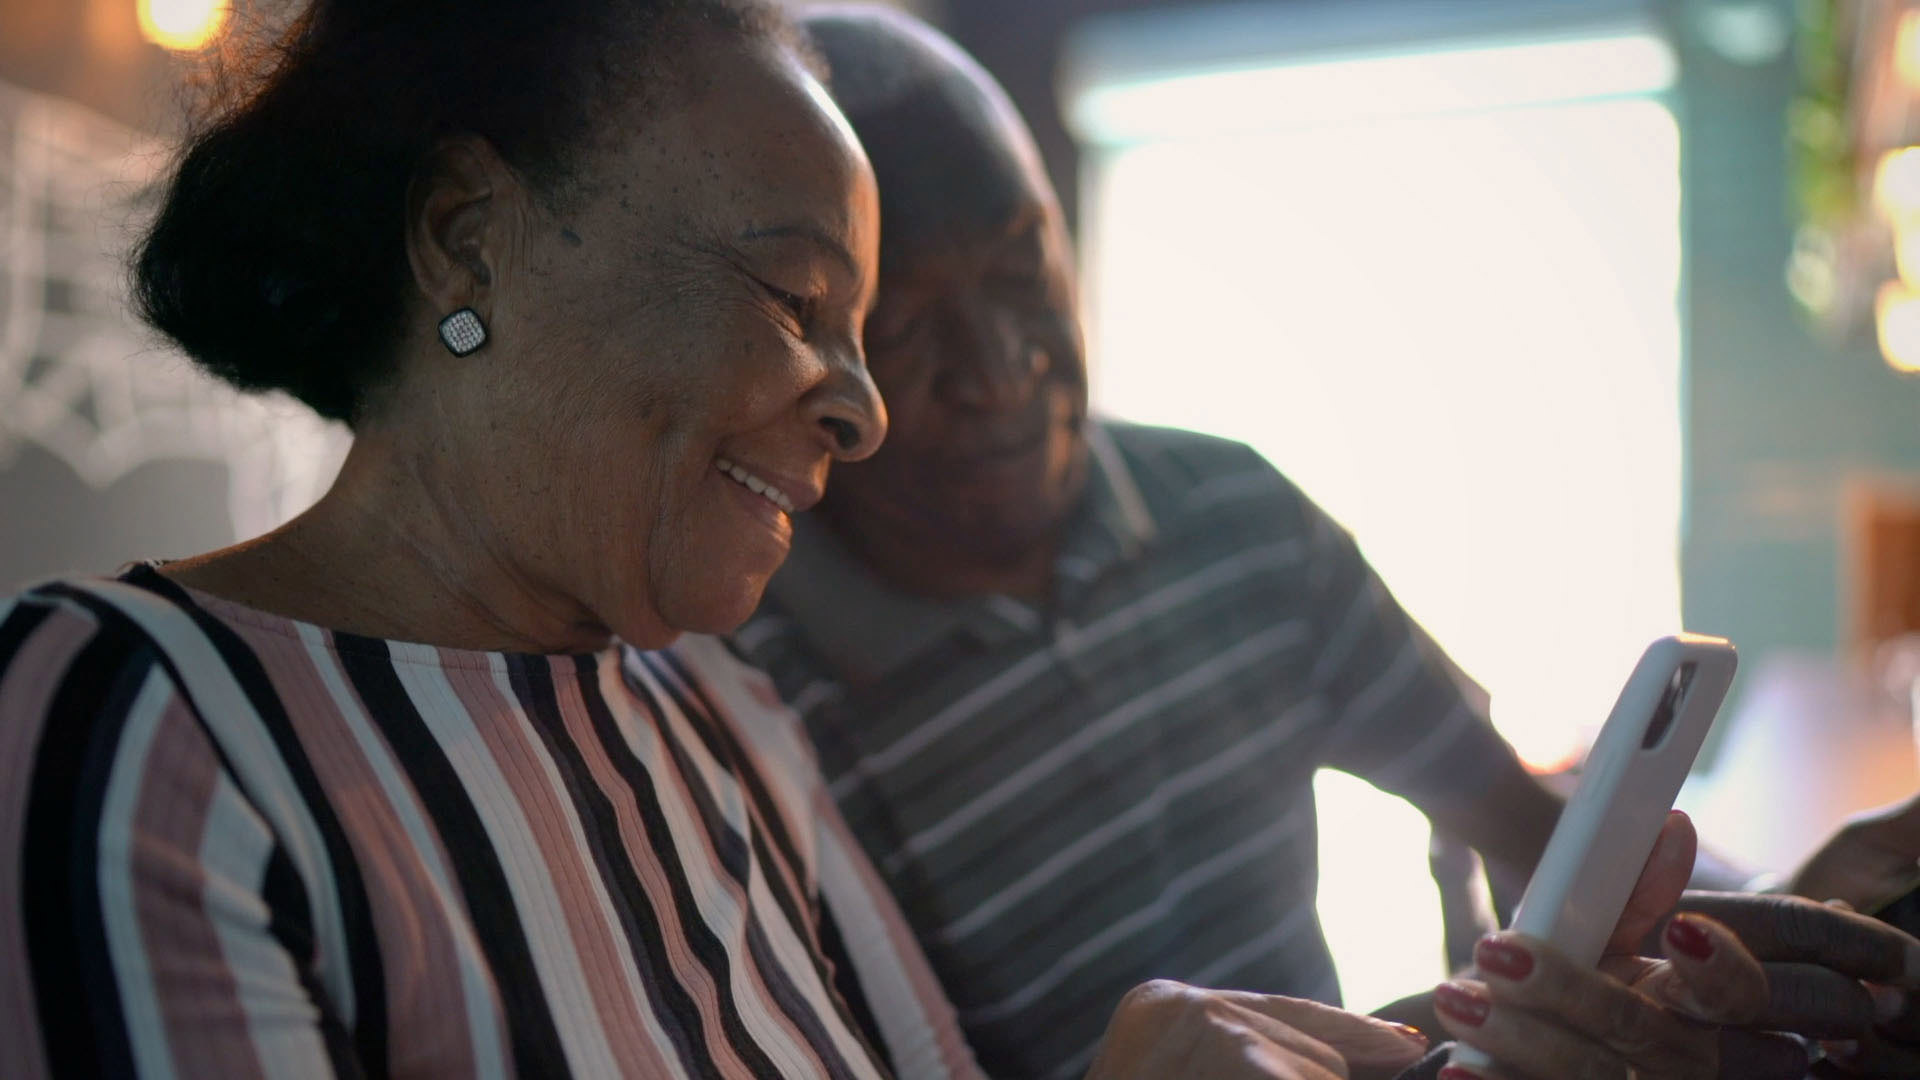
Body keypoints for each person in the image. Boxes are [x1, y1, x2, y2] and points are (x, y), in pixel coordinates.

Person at [0, 0, 1792, 1077]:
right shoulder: (127, 728)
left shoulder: (713, 721)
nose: (862, 409)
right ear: (468, 243)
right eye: (803, 304)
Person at [734, 6, 1920, 1077]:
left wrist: (1780, 907)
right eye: (907, 321)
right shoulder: (753, 706)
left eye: (1020, 268)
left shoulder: (1229, 512)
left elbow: (1524, 831)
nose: (1000, 366)